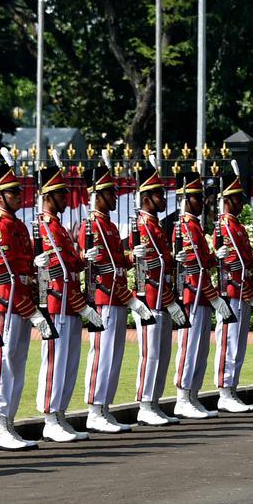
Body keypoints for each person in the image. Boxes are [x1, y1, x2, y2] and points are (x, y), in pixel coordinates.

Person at [78, 162, 154, 433]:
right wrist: (131, 298)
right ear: (97, 194)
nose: (115, 196)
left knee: (115, 355)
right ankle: (94, 410)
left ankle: (104, 408)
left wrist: (133, 257)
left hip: (117, 297)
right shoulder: (92, 225)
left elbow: (117, 262)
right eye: (110, 191)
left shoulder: (108, 225)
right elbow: (98, 270)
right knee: (102, 354)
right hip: (104, 298)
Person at [0, 159, 52, 451]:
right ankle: (0, 425)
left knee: (18, 364)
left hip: (22, 300)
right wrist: (30, 309)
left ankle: (8, 421)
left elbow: (24, 269)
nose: (19, 196)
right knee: (4, 364)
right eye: (12, 192)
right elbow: (6, 271)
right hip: (7, 303)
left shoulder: (19, 225)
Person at [32, 165, 104, 443]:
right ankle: (50, 418)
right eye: (62, 193)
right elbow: (55, 272)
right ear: (49, 195)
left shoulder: (58, 227)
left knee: (69, 363)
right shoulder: (45, 226)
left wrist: (85, 257)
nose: (66, 199)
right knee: (55, 363)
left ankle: (59, 414)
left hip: (70, 304)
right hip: (57, 304)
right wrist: (80, 304)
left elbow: (72, 264)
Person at [131, 168, 189, 427]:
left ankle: (154, 402)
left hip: (162, 298)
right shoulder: (144, 225)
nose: (164, 200)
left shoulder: (154, 224)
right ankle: (145, 404)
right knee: (150, 354)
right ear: (146, 198)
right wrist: (169, 300)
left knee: (162, 354)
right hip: (151, 299)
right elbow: (150, 270)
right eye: (158, 195)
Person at [213, 171, 253, 413]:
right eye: (238, 198)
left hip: (243, 292)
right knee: (229, 343)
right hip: (232, 293)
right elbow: (231, 267)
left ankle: (232, 389)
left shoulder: (237, 226)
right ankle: (224, 391)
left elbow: (246, 263)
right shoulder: (225, 227)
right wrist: (252, 296)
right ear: (227, 199)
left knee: (238, 344)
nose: (242, 203)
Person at [171, 171, 230, 419]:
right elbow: (193, 268)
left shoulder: (194, 225)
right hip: (192, 295)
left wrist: (213, 257)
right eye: (197, 197)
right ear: (187, 199)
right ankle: (183, 397)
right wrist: (214, 295)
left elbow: (204, 261)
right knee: (189, 347)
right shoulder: (185, 226)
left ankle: (193, 395)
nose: (202, 201)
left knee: (201, 349)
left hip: (201, 296)